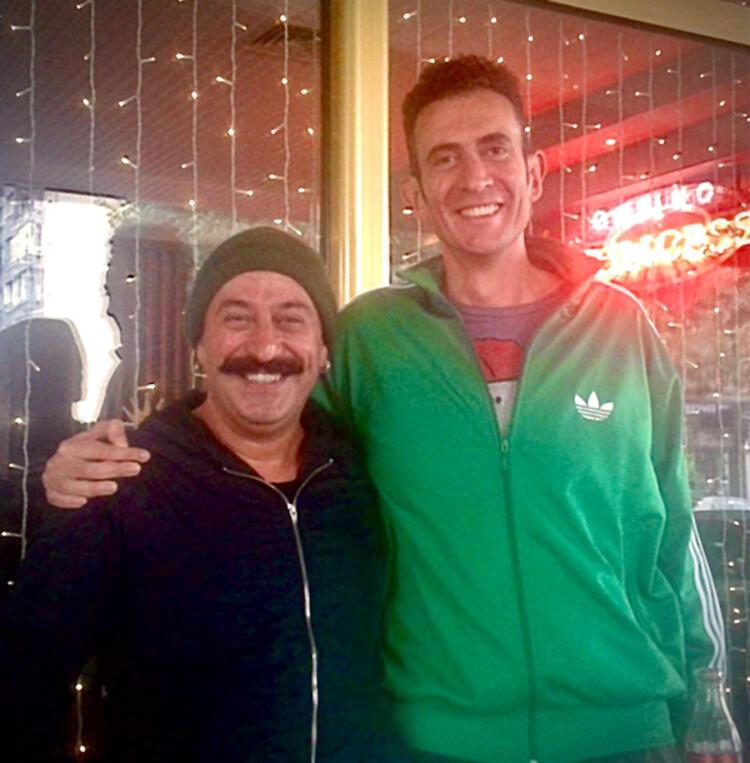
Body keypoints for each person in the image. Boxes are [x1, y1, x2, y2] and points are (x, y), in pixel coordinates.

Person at [41, 57, 727, 763]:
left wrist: (708, 697)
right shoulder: (372, 338)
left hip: (626, 734)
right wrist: (123, 459)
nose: (475, 178)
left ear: (534, 171)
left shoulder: (623, 328)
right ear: (416, 194)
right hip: (438, 744)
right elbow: (260, 419)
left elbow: (672, 531)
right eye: (445, 158)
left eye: (495, 149)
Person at [0, 227, 398, 762]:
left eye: (291, 320)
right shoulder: (120, 481)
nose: (265, 347)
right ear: (200, 347)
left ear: (323, 350)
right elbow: (24, 682)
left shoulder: (358, 469)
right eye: (237, 319)